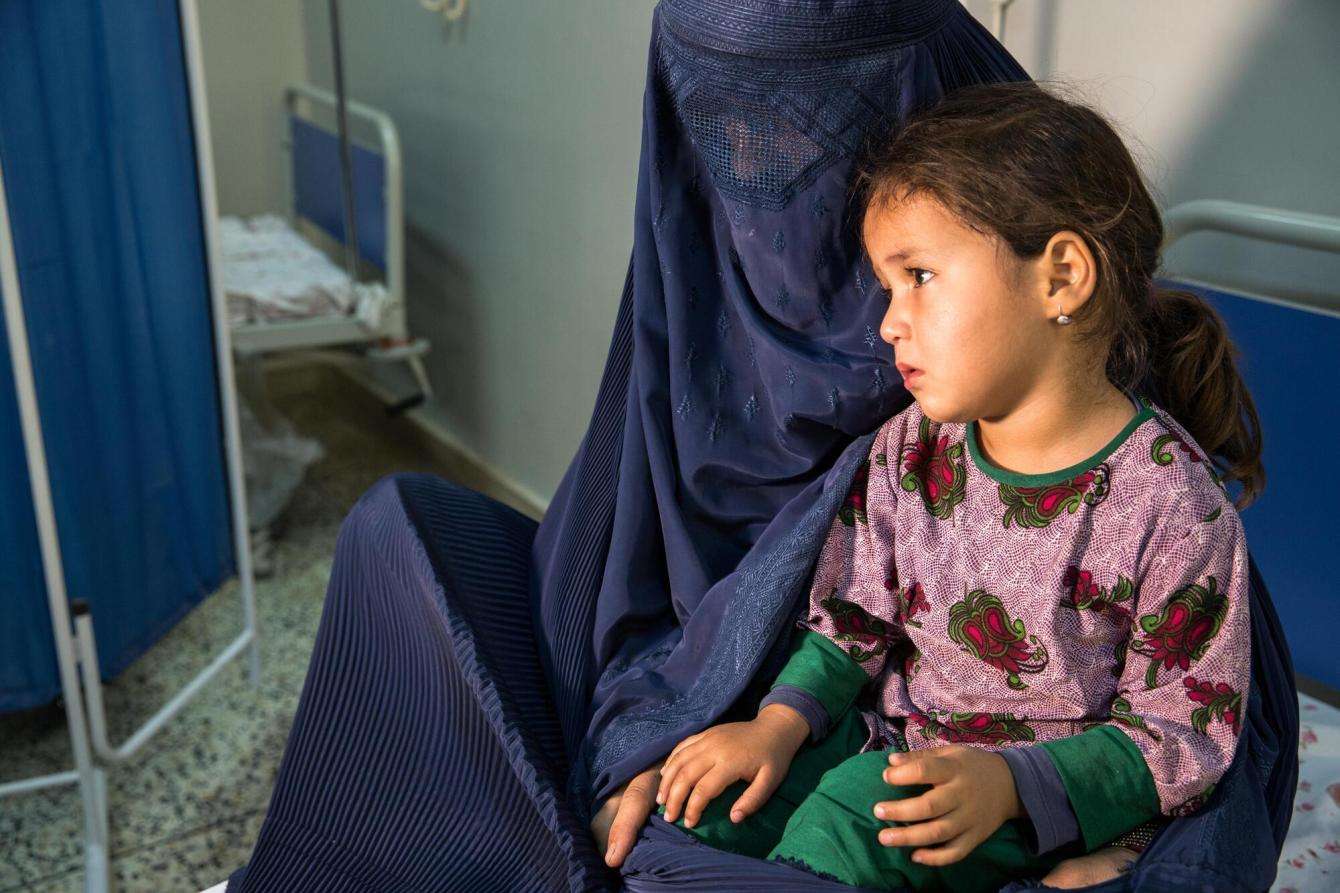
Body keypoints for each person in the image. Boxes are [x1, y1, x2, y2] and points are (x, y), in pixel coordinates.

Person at [599, 81, 1262, 892]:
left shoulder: (1174, 508)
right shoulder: (911, 448)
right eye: (886, 287)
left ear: (1060, 277)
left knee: (847, 815)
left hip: (1033, 801)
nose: (888, 321)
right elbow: (851, 620)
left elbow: (1180, 731)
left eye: (917, 275)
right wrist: (773, 729)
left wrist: (1012, 786)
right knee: (692, 804)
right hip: (888, 749)